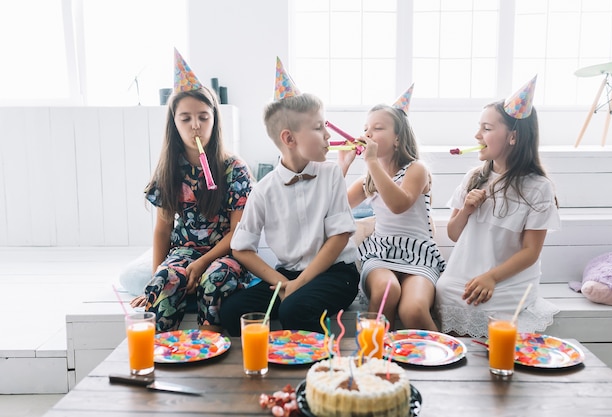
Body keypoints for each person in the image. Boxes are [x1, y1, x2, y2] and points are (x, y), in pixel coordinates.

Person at [218, 57, 359, 336]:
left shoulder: (330, 174)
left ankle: (318, 364)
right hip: (289, 275)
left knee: (293, 308)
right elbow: (241, 247)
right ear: (289, 138)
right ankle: (272, 357)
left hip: (336, 274)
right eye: (319, 127)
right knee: (231, 312)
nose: (328, 135)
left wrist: (300, 283)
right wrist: (283, 283)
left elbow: (340, 236)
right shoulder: (264, 189)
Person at [130, 49, 254, 333]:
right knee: (165, 281)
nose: (195, 125)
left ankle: (208, 348)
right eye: (185, 118)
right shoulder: (170, 170)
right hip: (184, 251)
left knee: (215, 279)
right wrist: (157, 281)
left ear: (215, 120)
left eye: (203, 117)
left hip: (227, 253)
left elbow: (238, 233)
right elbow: (163, 229)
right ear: (174, 123)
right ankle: (164, 356)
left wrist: (201, 264)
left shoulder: (234, 168)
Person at [435, 76, 560, 337]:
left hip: (508, 278)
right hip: (466, 272)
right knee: (445, 291)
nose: (477, 135)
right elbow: (454, 234)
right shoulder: (473, 177)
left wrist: (491, 277)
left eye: (487, 128)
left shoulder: (538, 187)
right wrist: (467, 210)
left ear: (513, 136)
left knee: (487, 304)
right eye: (479, 127)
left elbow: (530, 252)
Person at [337, 85, 447, 331]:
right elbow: (332, 209)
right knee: (388, 291)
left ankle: (440, 362)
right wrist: (342, 167)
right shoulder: (368, 178)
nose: (368, 133)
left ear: (398, 138)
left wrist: (372, 162)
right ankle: (375, 357)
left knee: (414, 310)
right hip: (380, 253)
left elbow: (398, 204)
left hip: (419, 255)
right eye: (366, 129)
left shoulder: (416, 169)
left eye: (377, 128)